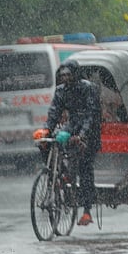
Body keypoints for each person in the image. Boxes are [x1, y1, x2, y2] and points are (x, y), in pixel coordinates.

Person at [45, 59, 101, 226]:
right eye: (63, 76)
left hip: (90, 130)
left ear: (75, 75)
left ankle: (87, 210)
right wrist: (46, 129)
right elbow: (54, 112)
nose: (66, 78)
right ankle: (58, 174)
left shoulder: (87, 88)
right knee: (48, 143)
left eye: (69, 75)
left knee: (84, 167)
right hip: (73, 125)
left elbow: (91, 115)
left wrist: (82, 135)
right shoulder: (61, 91)